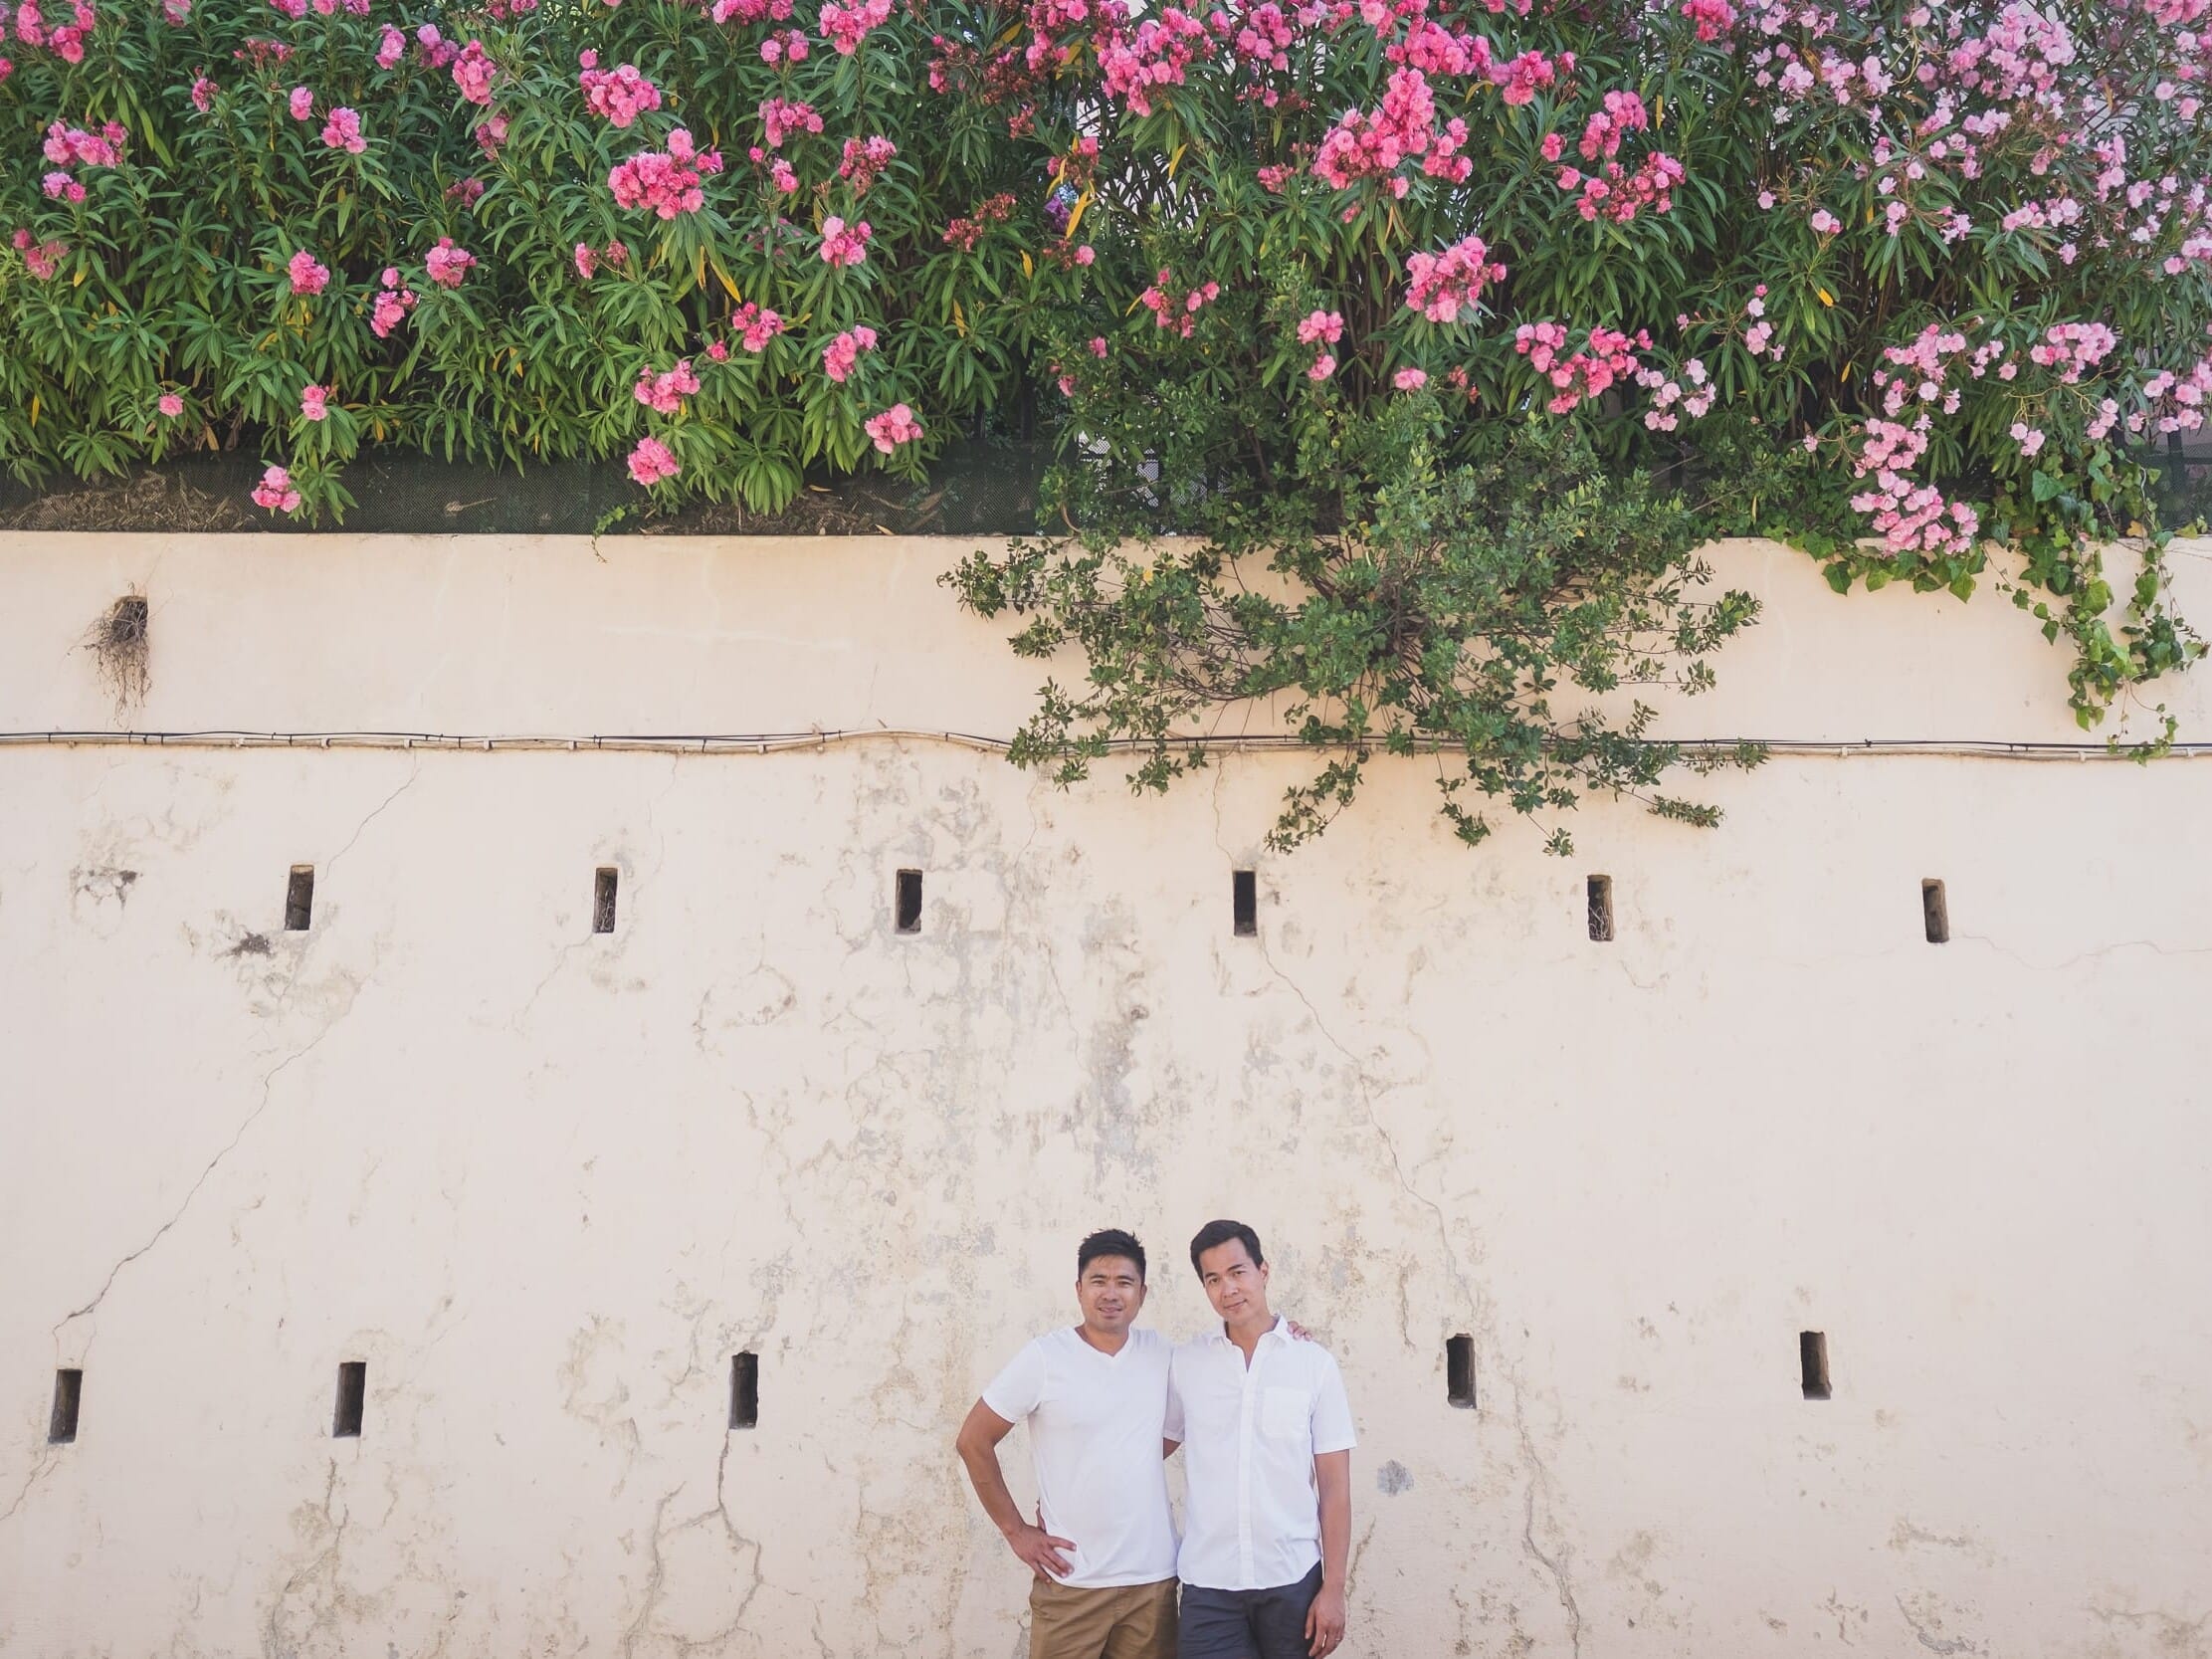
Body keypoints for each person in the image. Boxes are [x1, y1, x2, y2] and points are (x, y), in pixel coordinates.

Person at [956, 1228, 1179, 1659]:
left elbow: (1227, 1360)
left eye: (1124, 1282)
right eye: (1098, 1281)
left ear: (1143, 1293)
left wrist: (1285, 1333)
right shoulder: (1044, 1358)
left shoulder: (1164, 1355)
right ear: (1079, 1290)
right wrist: (1015, 1530)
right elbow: (973, 1440)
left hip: (1152, 1583)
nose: (1111, 1293)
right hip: (1072, 1582)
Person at [1167, 1220, 1354, 1659]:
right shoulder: (1186, 1364)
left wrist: (1334, 1588)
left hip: (1292, 1582)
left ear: (1263, 1271)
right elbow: (1144, 1446)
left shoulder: (1313, 1364)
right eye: (1213, 1279)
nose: (1228, 1288)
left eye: (1237, 1272)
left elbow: (1335, 1487)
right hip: (1209, 1586)